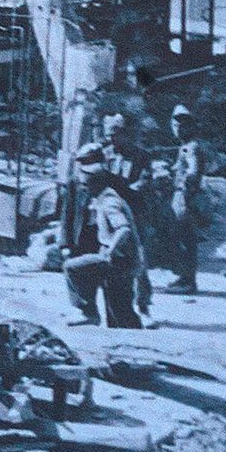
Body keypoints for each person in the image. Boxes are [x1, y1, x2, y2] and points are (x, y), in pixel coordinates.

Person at [62, 143, 144, 328]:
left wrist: (114, 249)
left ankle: (128, 328)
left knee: (117, 299)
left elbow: (126, 224)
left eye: (88, 162)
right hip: (88, 240)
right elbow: (67, 215)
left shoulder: (111, 190)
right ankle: (89, 312)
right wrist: (65, 243)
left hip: (113, 248)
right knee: (83, 276)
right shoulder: (78, 183)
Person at [101, 112, 153, 314]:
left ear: (125, 134)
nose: (112, 139)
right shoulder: (105, 155)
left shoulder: (140, 156)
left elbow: (145, 181)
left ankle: (143, 305)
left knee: (139, 260)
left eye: (116, 134)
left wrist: (127, 190)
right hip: (110, 213)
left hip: (133, 212)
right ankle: (115, 308)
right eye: (109, 135)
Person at [165, 104, 205, 294]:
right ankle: (184, 277)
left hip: (185, 197)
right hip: (182, 196)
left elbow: (194, 171)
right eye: (175, 125)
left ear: (191, 126)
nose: (178, 129)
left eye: (183, 125)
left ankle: (188, 281)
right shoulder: (185, 146)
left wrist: (184, 183)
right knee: (181, 239)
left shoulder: (192, 147)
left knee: (185, 239)